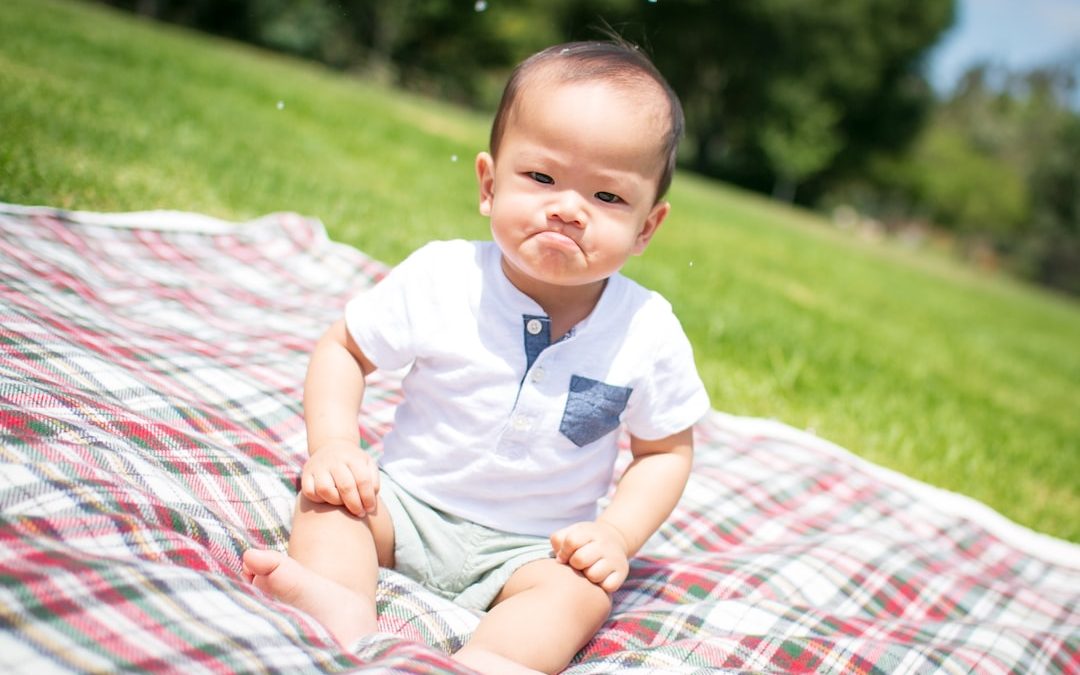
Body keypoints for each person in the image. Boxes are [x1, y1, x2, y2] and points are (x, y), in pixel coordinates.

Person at [243, 39, 709, 674]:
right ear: (489, 185)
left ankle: (493, 659)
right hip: (402, 503)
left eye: (607, 198)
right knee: (327, 505)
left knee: (579, 596)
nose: (568, 209)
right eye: (541, 177)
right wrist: (333, 445)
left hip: (538, 548)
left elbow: (664, 451)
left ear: (646, 228)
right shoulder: (444, 277)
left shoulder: (646, 331)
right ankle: (338, 605)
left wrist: (616, 535)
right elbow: (344, 350)